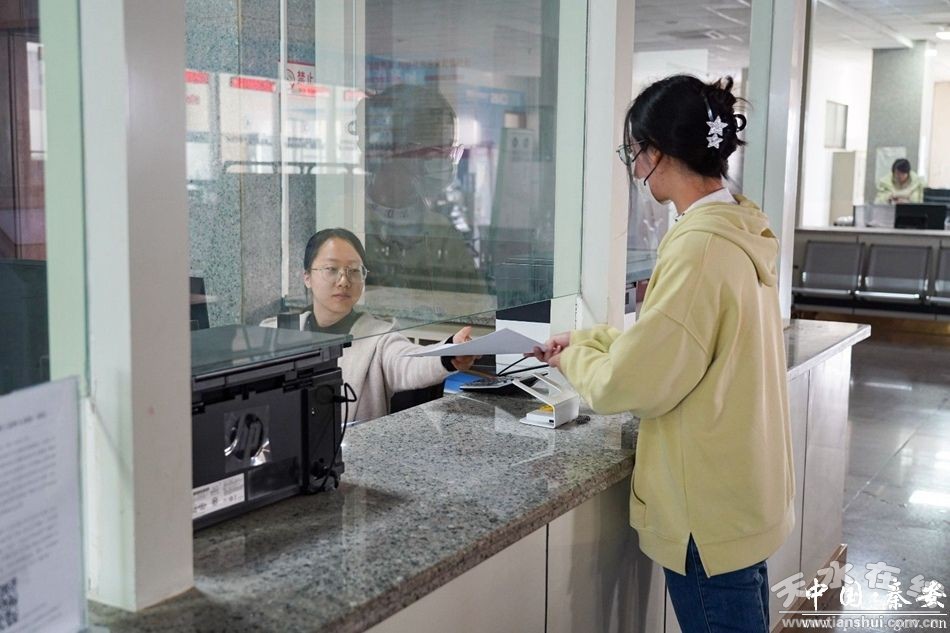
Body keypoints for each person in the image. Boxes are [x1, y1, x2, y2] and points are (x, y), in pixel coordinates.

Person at [531, 75, 792, 633]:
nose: (633, 168)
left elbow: (628, 385)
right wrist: (593, 340)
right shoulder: (739, 228)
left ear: (659, 153)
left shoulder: (700, 248)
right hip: (740, 491)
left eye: (633, 152)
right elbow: (680, 346)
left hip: (705, 509)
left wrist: (573, 361)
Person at [264, 228, 477, 423]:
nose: (344, 281)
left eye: (354, 271)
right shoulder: (276, 333)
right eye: (331, 269)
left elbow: (409, 362)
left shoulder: (378, 337)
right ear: (307, 277)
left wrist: (449, 352)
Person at [357, 84, 486, 292]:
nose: (446, 163)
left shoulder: (443, 233)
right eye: (437, 152)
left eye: (450, 152)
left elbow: (475, 304)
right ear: (395, 151)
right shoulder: (346, 220)